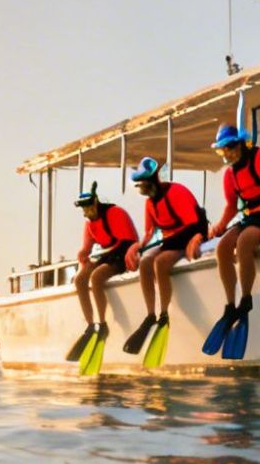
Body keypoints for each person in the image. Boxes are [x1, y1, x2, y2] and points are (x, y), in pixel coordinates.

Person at [204, 123, 260, 361]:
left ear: (242, 143)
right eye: (223, 150)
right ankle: (230, 305)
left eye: (231, 147)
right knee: (223, 246)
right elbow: (232, 205)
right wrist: (220, 226)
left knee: (244, 242)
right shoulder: (230, 174)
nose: (228, 153)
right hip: (251, 216)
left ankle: (246, 300)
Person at [120, 157, 207, 362]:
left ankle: (164, 312)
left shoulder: (176, 192)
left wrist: (196, 238)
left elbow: (194, 223)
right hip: (169, 241)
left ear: (152, 181)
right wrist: (137, 247)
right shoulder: (150, 203)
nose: (141, 189)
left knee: (160, 262)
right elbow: (150, 231)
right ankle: (150, 314)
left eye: (142, 184)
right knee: (145, 262)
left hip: (188, 236)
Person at [64, 182, 138, 373]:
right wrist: (83, 255)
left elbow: (128, 241)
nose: (86, 211)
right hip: (107, 255)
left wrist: (101, 259)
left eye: (88, 206)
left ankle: (103, 324)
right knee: (80, 279)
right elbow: (87, 248)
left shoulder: (115, 213)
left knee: (96, 277)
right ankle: (90, 325)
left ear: (95, 203)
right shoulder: (89, 223)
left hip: (123, 254)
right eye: (83, 208)